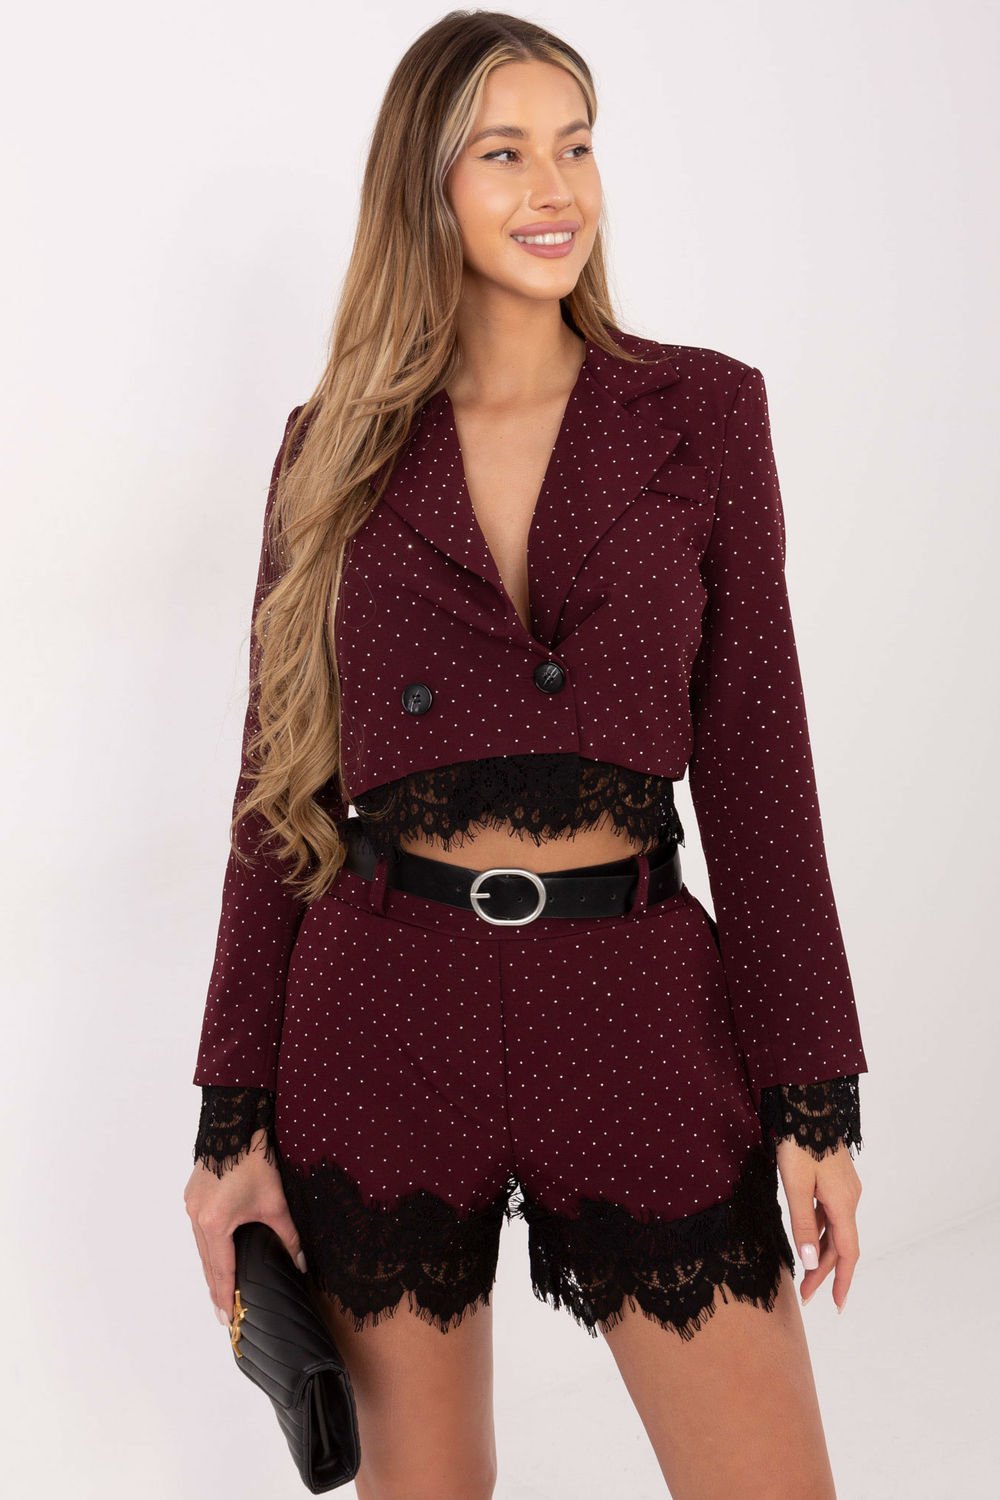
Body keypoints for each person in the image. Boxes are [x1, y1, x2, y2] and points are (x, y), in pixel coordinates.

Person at [183, 12, 868, 1499]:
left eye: (576, 145)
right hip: (382, 1007)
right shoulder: (332, 446)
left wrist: (815, 1094)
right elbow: (275, 792)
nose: (556, 187)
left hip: (634, 997)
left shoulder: (701, 412)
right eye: (504, 153)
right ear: (425, 186)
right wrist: (228, 1122)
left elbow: (760, 762)